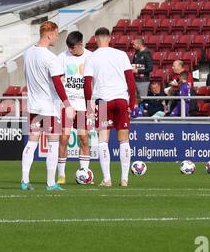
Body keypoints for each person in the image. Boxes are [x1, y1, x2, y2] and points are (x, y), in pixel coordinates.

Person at [20, 21, 74, 191]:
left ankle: (24, 181)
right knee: (53, 143)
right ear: (49, 34)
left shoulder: (27, 53)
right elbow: (58, 83)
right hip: (49, 107)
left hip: (33, 106)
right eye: (56, 34)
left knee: (31, 143)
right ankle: (51, 183)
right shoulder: (50, 57)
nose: (57, 37)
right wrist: (67, 104)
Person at [84, 27, 136, 187]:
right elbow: (131, 80)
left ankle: (107, 179)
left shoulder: (91, 58)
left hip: (104, 101)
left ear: (95, 39)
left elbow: (87, 84)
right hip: (121, 99)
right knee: (124, 140)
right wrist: (131, 103)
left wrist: (89, 106)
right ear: (109, 38)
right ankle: (124, 178)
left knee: (103, 141)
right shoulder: (121, 55)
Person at [56, 31, 93, 184]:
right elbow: (56, 80)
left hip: (84, 105)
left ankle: (84, 171)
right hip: (68, 104)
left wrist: (93, 103)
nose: (71, 50)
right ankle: (61, 175)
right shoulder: (61, 57)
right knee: (63, 138)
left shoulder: (91, 57)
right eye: (69, 47)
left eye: (73, 47)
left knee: (84, 138)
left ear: (81, 44)